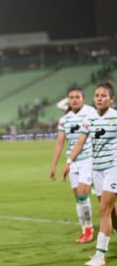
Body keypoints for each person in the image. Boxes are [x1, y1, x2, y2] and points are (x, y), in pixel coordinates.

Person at [63, 81, 117, 266]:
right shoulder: (90, 119)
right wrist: (69, 161)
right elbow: (79, 143)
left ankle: (100, 256)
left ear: (111, 99)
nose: (100, 98)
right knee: (113, 214)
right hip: (98, 170)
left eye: (104, 95)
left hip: (114, 169)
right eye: (97, 95)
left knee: (104, 210)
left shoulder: (116, 118)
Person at [49, 86, 97, 243]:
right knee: (79, 198)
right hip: (73, 162)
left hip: (89, 159)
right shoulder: (65, 119)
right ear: (68, 101)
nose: (74, 100)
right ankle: (85, 229)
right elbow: (59, 143)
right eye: (71, 97)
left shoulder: (90, 112)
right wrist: (54, 166)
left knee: (83, 193)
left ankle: (89, 230)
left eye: (78, 97)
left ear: (84, 99)